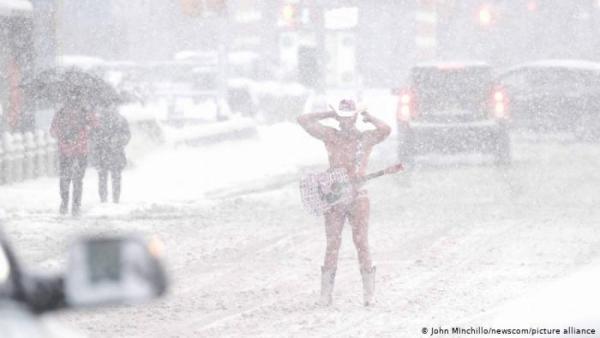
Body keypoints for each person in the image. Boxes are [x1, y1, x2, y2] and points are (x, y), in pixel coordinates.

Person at [297, 99, 391, 306]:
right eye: (342, 116)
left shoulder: (365, 138)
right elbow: (302, 120)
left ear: (355, 117)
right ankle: (325, 296)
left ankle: (369, 296)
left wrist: (370, 117)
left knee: (361, 243)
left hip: (358, 195)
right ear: (338, 118)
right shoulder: (330, 136)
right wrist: (327, 115)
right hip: (334, 197)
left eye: (349, 116)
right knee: (332, 244)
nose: (345, 121)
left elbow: (386, 129)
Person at [50, 98, 97, 216]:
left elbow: (53, 131)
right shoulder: (85, 112)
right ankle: (75, 206)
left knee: (65, 179)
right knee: (77, 180)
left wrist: (62, 135)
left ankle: (65, 204)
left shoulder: (61, 113)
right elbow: (95, 126)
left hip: (65, 151)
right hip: (80, 151)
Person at [91, 106, 131, 204]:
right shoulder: (118, 120)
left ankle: (113, 199)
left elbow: (127, 135)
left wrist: (118, 141)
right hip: (109, 153)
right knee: (107, 177)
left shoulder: (119, 120)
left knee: (111, 177)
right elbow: (92, 136)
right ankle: (106, 200)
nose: (109, 108)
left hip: (109, 153)